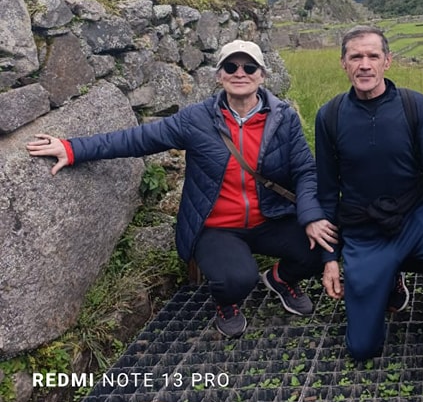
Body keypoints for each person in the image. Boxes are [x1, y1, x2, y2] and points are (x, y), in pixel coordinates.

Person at [26, 40, 337, 339]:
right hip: (219, 227)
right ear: (219, 75)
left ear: (262, 75)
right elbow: (138, 140)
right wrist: (73, 149)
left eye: (249, 67)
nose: (239, 73)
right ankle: (227, 303)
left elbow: (304, 170)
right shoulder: (196, 119)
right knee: (235, 280)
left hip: (270, 217)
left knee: (321, 245)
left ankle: (279, 279)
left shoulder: (284, 119)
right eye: (231, 66)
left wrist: (310, 216)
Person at [297, 25, 423, 360]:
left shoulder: (415, 106)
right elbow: (327, 194)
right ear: (344, 64)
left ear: (387, 61)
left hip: (415, 218)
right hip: (365, 232)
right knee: (362, 348)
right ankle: (388, 279)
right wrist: (330, 260)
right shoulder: (330, 116)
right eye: (356, 57)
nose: (364, 65)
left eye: (372, 56)